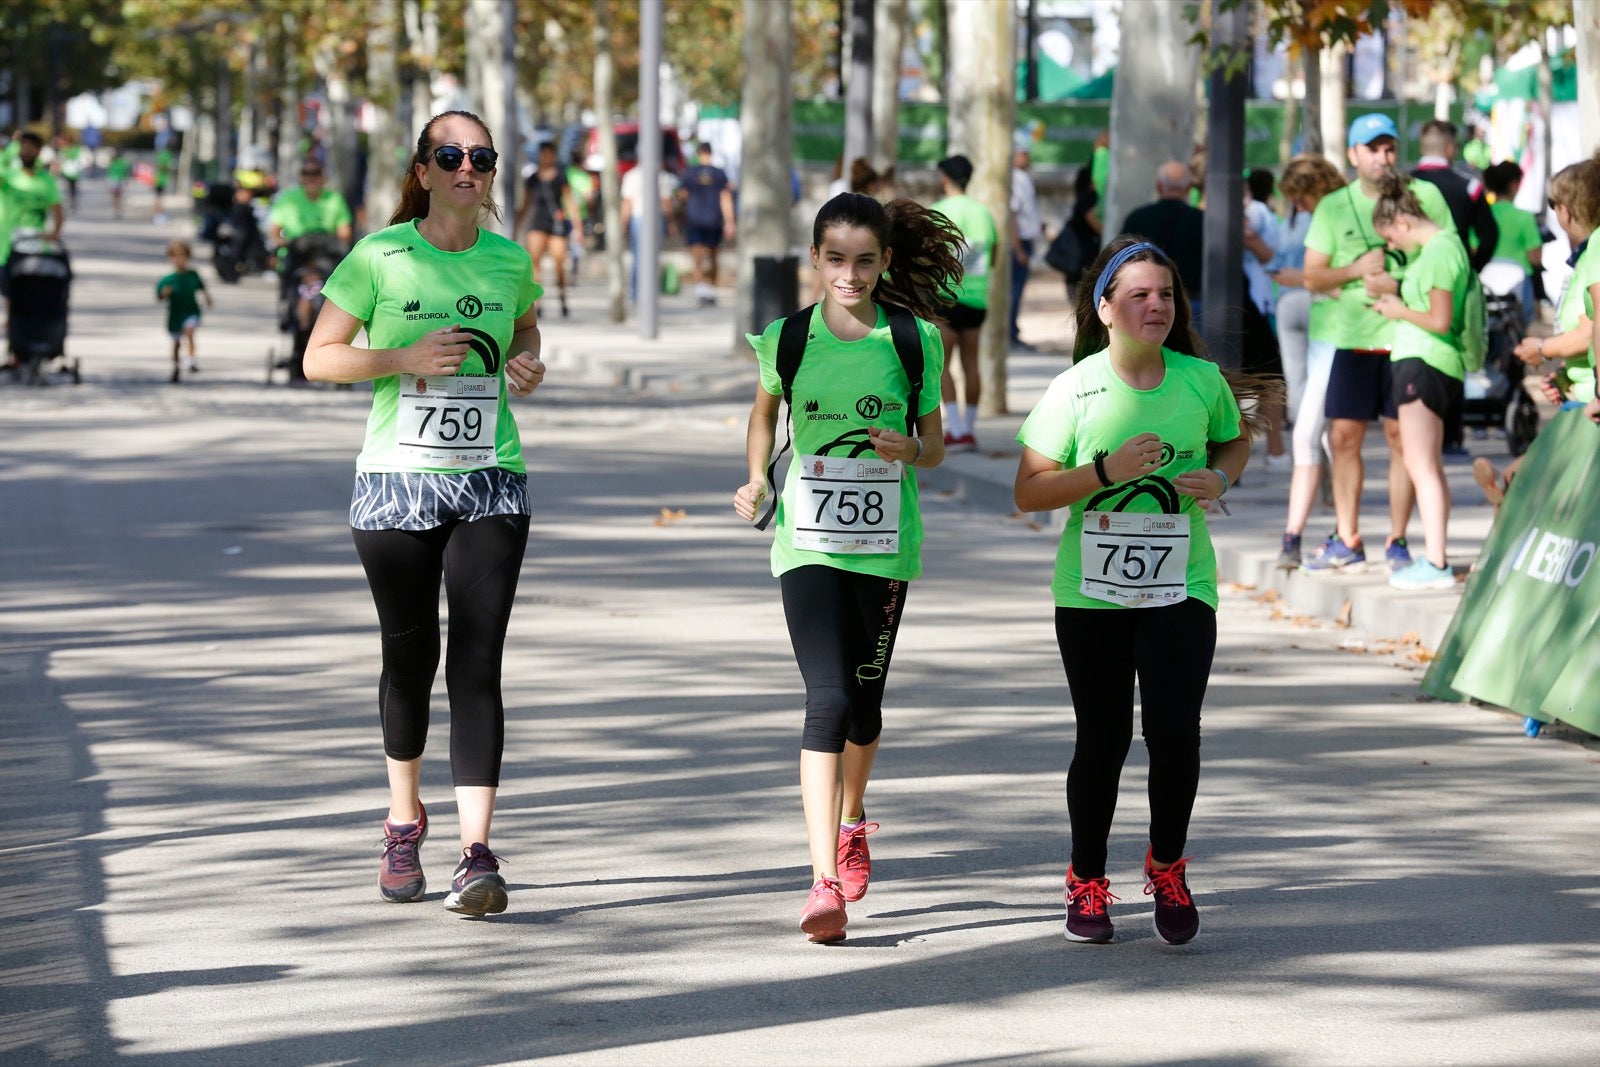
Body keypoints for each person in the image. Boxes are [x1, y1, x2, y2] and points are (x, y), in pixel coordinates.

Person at [302, 110, 547, 917]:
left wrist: (525, 360)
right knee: (409, 658)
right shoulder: (379, 255)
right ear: (424, 169)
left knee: (478, 664)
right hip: (395, 485)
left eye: (480, 156)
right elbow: (319, 356)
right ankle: (404, 817)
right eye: (451, 155)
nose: (466, 168)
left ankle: (476, 853)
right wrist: (400, 358)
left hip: (489, 482)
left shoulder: (510, 261)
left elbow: (525, 325)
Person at [1012, 235, 1265, 946]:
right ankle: (1086, 877)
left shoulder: (1198, 379)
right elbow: (1029, 490)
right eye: (1139, 295)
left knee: (1175, 734)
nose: (1156, 306)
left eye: (1165, 294)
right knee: (1104, 738)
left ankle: (1167, 863)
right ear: (1105, 309)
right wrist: (1105, 469)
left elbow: (1235, 438)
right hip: (1091, 593)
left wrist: (1221, 477)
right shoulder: (1074, 389)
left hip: (1182, 584)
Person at [731, 191, 960, 943]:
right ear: (816, 260)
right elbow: (766, 414)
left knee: (863, 706)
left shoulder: (912, 339)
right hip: (809, 543)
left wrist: (910, 450)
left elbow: (936, 442)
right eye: (836, 260)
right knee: (826, 699)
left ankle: (854, 816)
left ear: (886, 261)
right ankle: (822, 877)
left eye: (865, 261)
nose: (850, 275)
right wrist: (759, 476)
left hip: (886, 546)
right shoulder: (788, 338)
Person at [1300, 114, 1453, 576]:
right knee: (1342, 437)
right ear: (1353, 155)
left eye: (1389, 148)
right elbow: (1312, 276)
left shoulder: (1424, 196)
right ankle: (1347, 536)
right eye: (1372, 149)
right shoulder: (1333, 205)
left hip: (1408, 338)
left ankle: (1398, 538)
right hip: (1352, 338)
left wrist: (1397, 279)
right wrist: (1354, 271)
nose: (1382, 158)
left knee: (1401, 440)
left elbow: (1445, 252)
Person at [1476, 156, 1600, 505]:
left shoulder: (1595, 250)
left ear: (1565, 210)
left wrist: (1544, 348)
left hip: (1590, 401)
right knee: (1537, 477)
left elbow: (1590, 330)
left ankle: (1509, 512)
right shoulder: (1585, 255)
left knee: (1545, 488)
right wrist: (1564, 372)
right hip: (1581, 393)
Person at [1370, 173, 1473, 590]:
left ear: (1404, 223)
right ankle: (1435, 556)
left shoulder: (1439, 251)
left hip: (1426, 363)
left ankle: (1435, 560)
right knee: (1425, 464)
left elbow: (1440, 319)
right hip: (1426, 362)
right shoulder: (1438, 250)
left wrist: (1397, 310)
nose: (1392, 247)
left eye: (1390, 238)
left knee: (1421, 464)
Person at [1267, 155, 1349, 570]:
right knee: (1321, 435)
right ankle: (1316, 535)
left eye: (1300, 198)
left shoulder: (1340, 213)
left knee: (1317, 435)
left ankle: (1299, 536)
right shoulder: (1326, 215)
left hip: (1342, 335)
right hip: (1321, 330)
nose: (1298, 206)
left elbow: (1345, 282)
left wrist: (1306, 278)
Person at [929, 154, 998, 452]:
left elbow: (927, 256)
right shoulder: (984, 213)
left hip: (944, 297)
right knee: (971, 364)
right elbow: (993, 257)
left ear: (945, 178)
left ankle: (955, 430)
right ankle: (969, 429)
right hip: (977, 297)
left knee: (942, 366)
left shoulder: (937, 212)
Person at [1119, 161, 1204, 316]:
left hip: (1145, 303)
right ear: (1188, 188)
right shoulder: (1202, 220)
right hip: (1191, 303)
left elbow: (1121, 261)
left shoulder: (1137, 218)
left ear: (1158, 186)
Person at [513, 142, 581, 318]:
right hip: (536, 224)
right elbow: (525, 205)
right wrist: (516, 228)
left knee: (559, 263)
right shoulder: (533, 179)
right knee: (535, 265)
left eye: (549, 154)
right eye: (543, 154)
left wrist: (577, 226)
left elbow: (569, 201)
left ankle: (562, 297)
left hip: (556, 225)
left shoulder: (560, 177)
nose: (546, 157)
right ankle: (538, 302)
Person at [0, 132, 65, 315]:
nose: (26, 152)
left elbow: (58, 211)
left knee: (30, 288)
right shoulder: (8, 176)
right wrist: (12, 148)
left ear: (38, 151)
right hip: (6, 246)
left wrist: (54, 234)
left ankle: (24, 323)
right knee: (8, 288)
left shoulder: (46, 180)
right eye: (23, 148)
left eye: (31, 148)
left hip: (35, 245)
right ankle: (13, 323)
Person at [1480, 161, 1546, 325]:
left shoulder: (1483, 216)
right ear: (1514, 184)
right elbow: (1535, 258)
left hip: (1486, 287)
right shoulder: (1524, 217)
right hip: (1519, 290)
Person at [677, 141, 735, 308]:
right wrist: (730, 221)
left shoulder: (689, 173)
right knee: (714, 257)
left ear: (698, 154)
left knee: (698, 258)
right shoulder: (719, 174)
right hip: (714, 220)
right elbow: (726, 198)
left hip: (695, 220)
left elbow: (682, 196)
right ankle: (711, 291)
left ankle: (701, 292)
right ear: (710, 153)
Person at [618, 159, 676, 303]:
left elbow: (627, 203)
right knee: (652, 257)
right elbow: (666, 202)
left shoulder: (631, 176)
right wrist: (671, 222)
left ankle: (636, 292)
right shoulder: (661, 175)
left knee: (638, 257)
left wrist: (622, 226)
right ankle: (648, 293)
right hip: (654, 219)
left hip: (639, 219)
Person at [156, 239, 212, 383]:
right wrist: (165, 293)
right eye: (176, 257)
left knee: (190, 331)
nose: (179, 260)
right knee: (176, 343)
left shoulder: (193, 275)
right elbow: (159, 296)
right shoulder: (168, 279)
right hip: (175, 314)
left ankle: (191, 361)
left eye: (183, 256)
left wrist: (207, 298)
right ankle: (176, 365)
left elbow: (202, 287)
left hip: (190, 310)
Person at [1009, 143, 1045, 349]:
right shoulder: (1014, 179)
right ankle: (1010, 333)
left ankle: (1012, 330)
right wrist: (1018, 248)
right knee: (1014, 289)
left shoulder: (1022, 178)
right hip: (1019, 242)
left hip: (1024, 240)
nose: (1027, 157)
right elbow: (1011, 216)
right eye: (1023, 152)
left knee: (1018, 289)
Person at [1059, 163, 1103, 303]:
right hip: (1081, 260)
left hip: (1079, 260)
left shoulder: (1084, 197)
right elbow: (1096, 226)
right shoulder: (1089, 198)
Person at [106, 149, 131, 218]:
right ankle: (118, 210)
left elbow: (109, 172)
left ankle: (116, 210)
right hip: (118, 180)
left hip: (114, 180)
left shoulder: (114, 162)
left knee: (115, 196)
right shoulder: (122, 162)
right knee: (119, 196)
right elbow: (126, 172)